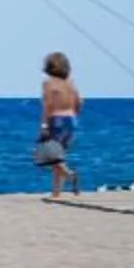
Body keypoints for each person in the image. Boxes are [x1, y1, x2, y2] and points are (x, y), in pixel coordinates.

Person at [38, 51, 83, 197]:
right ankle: (57, 192)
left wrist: (44, 125)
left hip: (56, 119)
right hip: (71, 119)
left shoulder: (48, 83)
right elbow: (79, 102)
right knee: (60, 156)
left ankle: (70, 175)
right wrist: (74, 114)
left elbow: (48, 104)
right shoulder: (71, 84)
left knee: (54, 157)